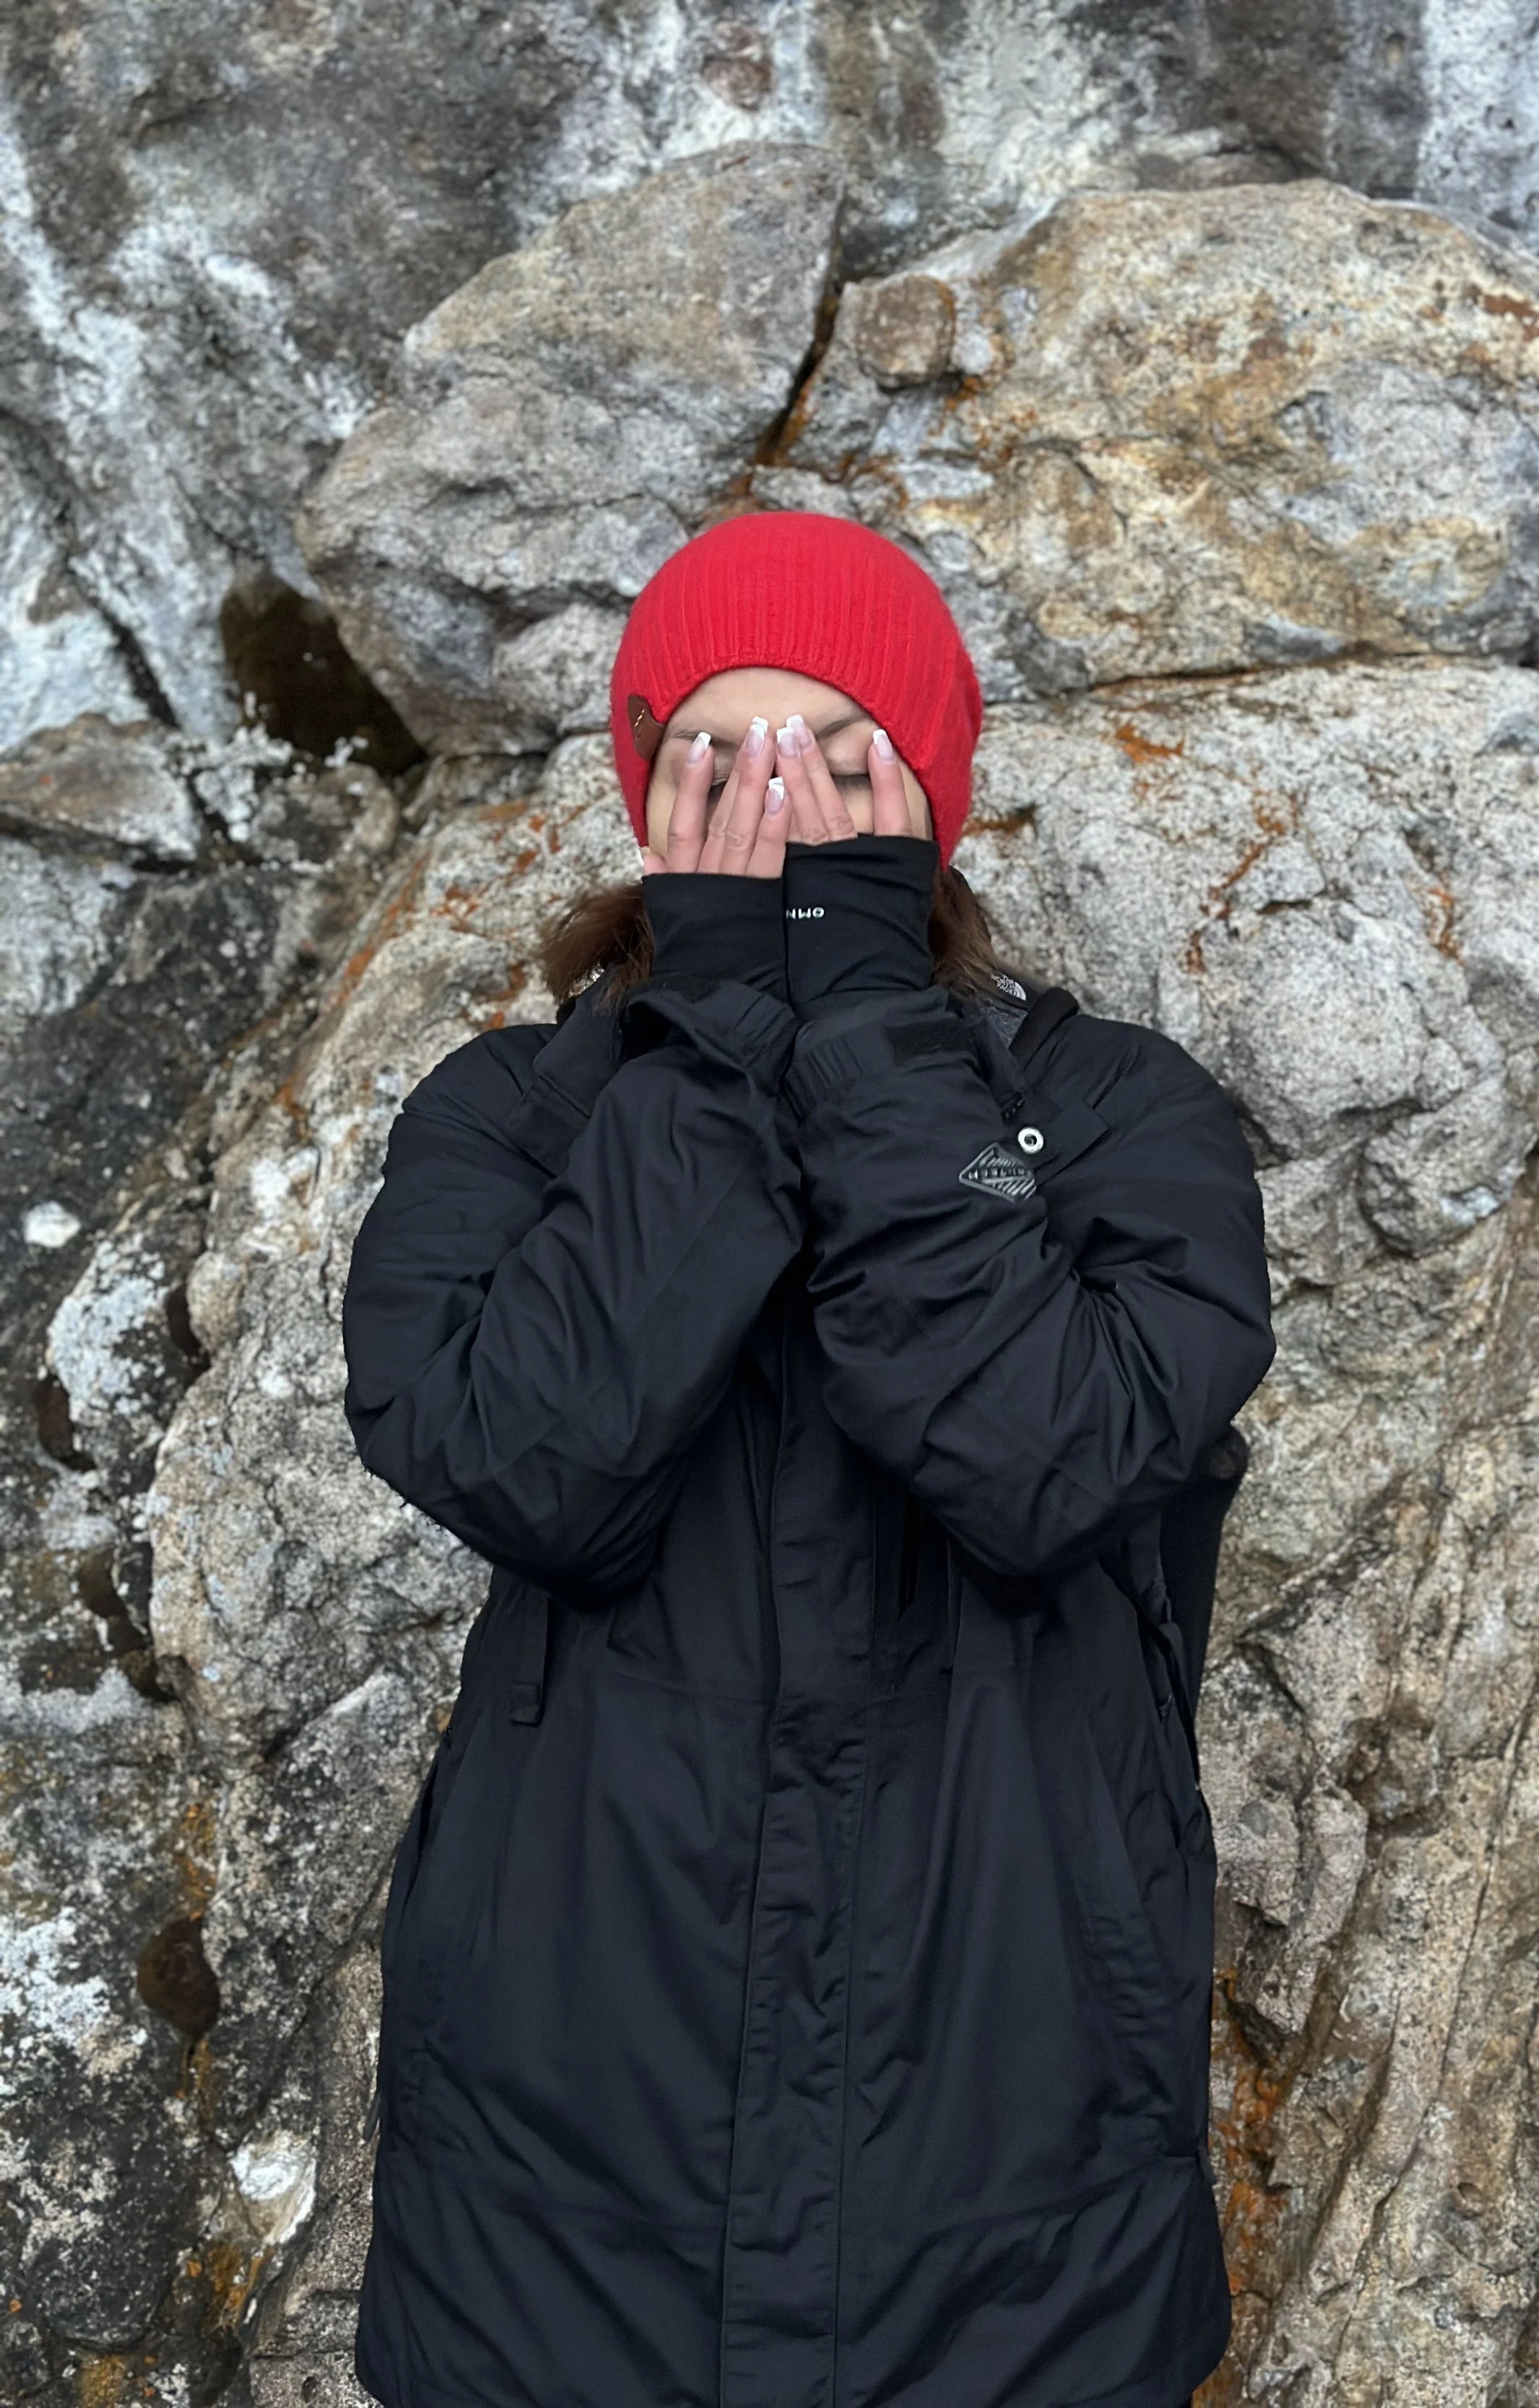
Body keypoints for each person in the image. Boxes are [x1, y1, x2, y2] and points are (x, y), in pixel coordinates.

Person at [340, 509, 1276, 2408]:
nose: (777, 814)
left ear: (925, 796)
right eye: (718, 759)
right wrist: (711, 1047)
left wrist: (860, 1026)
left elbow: (1047, 1463)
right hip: (564, 2147)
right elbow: (528, 1465)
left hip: (1015, 2136)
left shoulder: (1117, 1115)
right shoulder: (511, 1119)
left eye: (836, 761)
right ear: (647, 801)